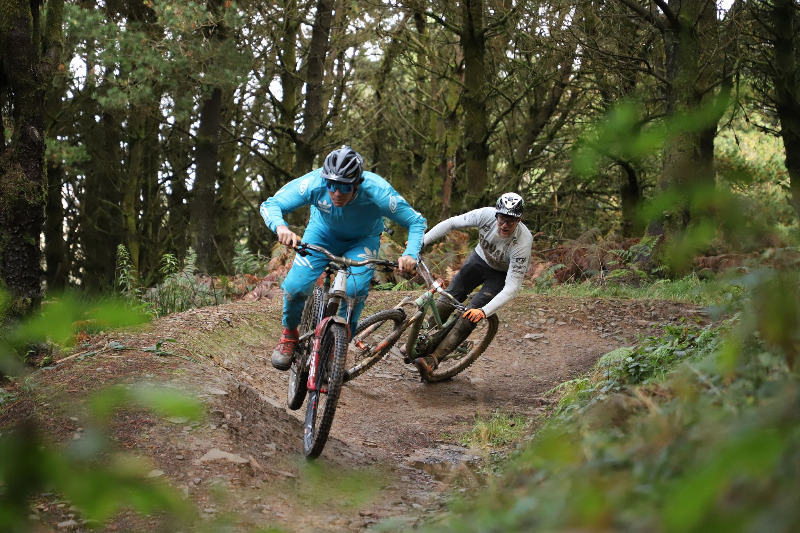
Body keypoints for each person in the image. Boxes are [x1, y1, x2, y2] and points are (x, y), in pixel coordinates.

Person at [260, 146, 426, 371]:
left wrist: (410, 254)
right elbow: (271, 204)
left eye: (345, 187)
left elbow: (416, 221)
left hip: (362, 240)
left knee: (355, 291)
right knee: (295, 286)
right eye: (332, 186)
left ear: (357, 183)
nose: (337, 193)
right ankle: (289, 335)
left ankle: (339, 345)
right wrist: (280, 227)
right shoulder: (314, 183)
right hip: (321, 234)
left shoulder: (378, 193)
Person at [412, 192, 533, 378]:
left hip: (500, 276)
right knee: (447, 299)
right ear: (496, 215)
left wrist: (484, 312)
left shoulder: (523, 242)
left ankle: (433, 360)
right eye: (502, 218)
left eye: (511, 220)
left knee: (469, 316)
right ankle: (422, 342)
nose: (505, 225)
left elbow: (513, 287)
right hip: (478, 260)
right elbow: (452, 223)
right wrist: (421, 243)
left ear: (519, 220)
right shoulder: (485, 215)